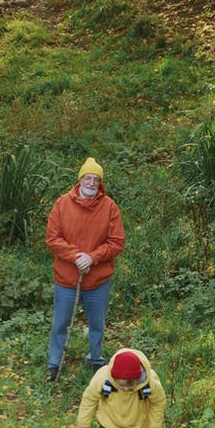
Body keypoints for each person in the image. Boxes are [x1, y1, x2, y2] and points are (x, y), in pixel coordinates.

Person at [45, 157, 125, 381]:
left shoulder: (109, 207)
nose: (92, 183)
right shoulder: (62, 204)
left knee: (97, 324)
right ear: (80, 180)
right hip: (66, 279)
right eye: (88, 178)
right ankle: (54, 363)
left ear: (100, 184)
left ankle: (95, 360)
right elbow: (52, 238)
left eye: (96, 179)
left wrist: (92, 257)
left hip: (98, 281)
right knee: (60, 323)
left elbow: (116, 241)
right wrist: (75, 256)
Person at [76, 348, 166, 428]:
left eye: (130, 385)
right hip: (109, 418)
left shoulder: (150, 383)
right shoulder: (103, 378)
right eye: (121, 385)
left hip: (133, 422)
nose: (126, 389)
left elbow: (158, 403)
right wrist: (83, 423)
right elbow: (89, 398)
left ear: (138, 377)